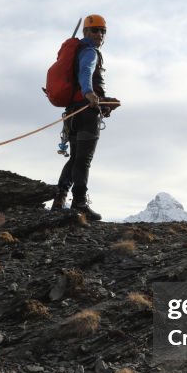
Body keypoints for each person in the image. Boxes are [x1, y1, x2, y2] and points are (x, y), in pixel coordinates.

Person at [52, 14, 119, 220]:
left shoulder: (76, 51)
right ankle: (79, 203)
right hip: (86, 113)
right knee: (84, 159)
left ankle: (59, 200)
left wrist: (103, 100)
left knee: (74, 158)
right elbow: (86, 71)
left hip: (72, 113)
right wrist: (90, 93)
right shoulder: (90, 51)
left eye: (102, 31)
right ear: (86, 32)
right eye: (95, 30)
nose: (99, 35)